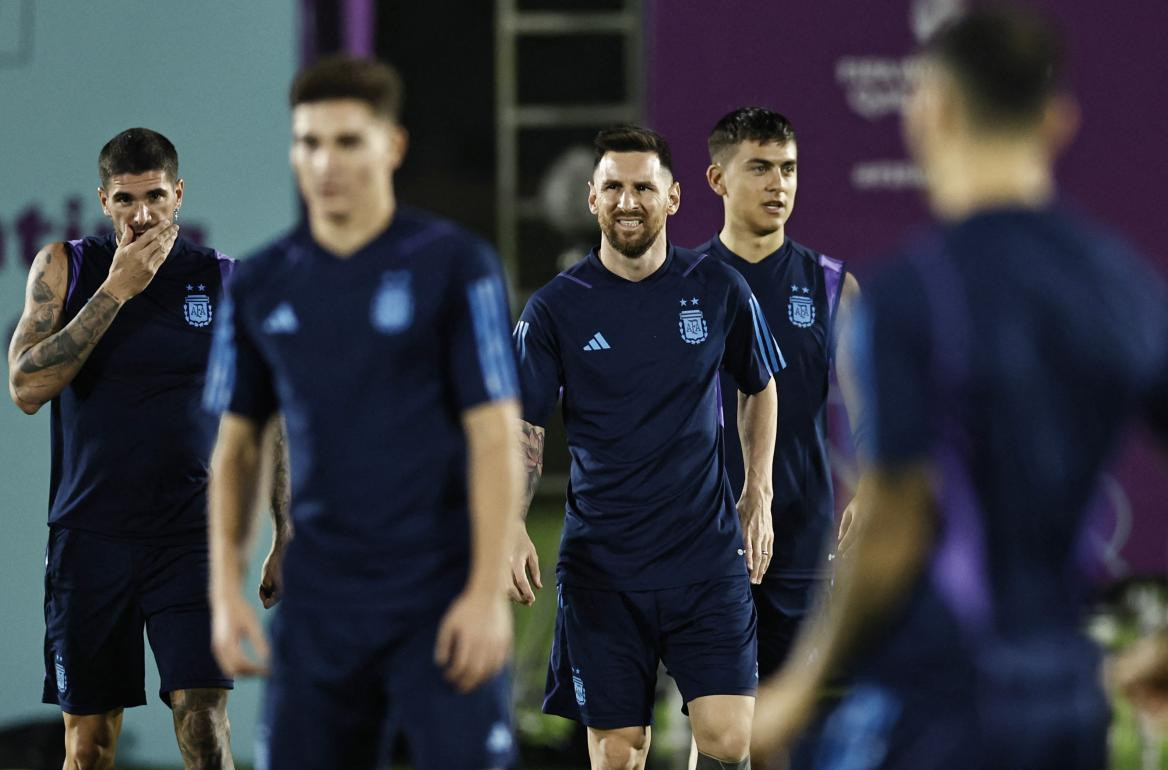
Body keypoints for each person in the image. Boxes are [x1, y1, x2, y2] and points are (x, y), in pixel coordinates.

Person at [751, 5, 1168, 768]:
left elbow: (894, 522)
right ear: (1057, 119)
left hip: (939, 707)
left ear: (931, 110)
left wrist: (801, 687)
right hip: (1069, 708)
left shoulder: (914, 292)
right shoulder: (1126, 288)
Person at [203, 56, 523, 770]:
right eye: (309, 142)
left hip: (439, 598)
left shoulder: (456, 265)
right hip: (320, 610)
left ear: (393, 146)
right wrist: (225, 589)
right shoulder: (259, 282)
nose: (325, 162)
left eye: (348, 141)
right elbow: (238, 448)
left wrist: (483, 591)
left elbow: (494, 436)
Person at [509, 124, 782, 770]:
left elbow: (760, 385)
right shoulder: (555, 309)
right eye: (613, 188)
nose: (627, 201)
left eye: (642, 187)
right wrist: (511, 523)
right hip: (604, 569)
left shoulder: (717, 288)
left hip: (704, 559)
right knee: (618, 755)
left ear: (675, 198)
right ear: (591, 198)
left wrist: (758, 491)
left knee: (727, 742)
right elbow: (524, 426)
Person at [6, 128, 264, 769]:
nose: (141, 214)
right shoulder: (64, 267)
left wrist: (285, 532)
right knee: (88, 746)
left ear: (178, 195)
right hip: (89, 540)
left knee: (203, 723)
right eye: (125, 199)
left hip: (189, 537)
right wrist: (116, 291)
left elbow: (268, 412)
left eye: (154, 196)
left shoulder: (222, 279)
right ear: (103, 200)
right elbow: (26, 387)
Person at [699, 106, 868, 682]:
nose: (779, 184)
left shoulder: (831, 285)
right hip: (700, 533)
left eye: (789, 169)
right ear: (718, 180)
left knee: (785, 727)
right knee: (719, 723)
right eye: (761, 168)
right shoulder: (681, 281)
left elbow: (873, 409)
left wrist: (870, 485)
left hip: (800, 536)